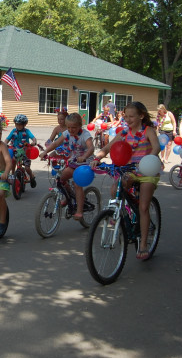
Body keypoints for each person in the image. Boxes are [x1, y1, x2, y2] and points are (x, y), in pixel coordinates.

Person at [91, 102, 159, 260]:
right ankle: (121, 215)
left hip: (147, 172)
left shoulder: (148, 131)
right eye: (125, 116)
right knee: (115, 190)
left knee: (143, 207)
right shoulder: (124, 133)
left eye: (131, 116)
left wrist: (149, 159)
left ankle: (142, 244)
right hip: (130, 171)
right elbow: (107, 147)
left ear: (141, 116)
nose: (127, 119)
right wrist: (97, 158)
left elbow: (156, 147)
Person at [40, 113, 95, 220]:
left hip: (85, 162)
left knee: (77, 183)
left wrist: (84, 156)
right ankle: (68, 196)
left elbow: (91, 148)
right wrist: (45, 152)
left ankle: (79, 211)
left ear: (80, 126)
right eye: (69, 127)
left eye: (74, 127)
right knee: (61, 179)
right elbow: (55, 144)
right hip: (74, 161)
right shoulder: (66, 133)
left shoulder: (85, 135)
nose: (71, 130)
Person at [5, 114, 37, 188]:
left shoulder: (27, 131)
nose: (18, 126)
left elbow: (33, 138)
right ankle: (13, 174)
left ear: (24, 124)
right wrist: (4, 144)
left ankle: (31, 176)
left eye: (20, 125)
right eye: (16, 124)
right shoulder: (13, 131)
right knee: (12, 161)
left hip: (25, 151)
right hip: (15, 150)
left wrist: (34, 142)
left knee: (27, 168)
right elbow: (8, 139)